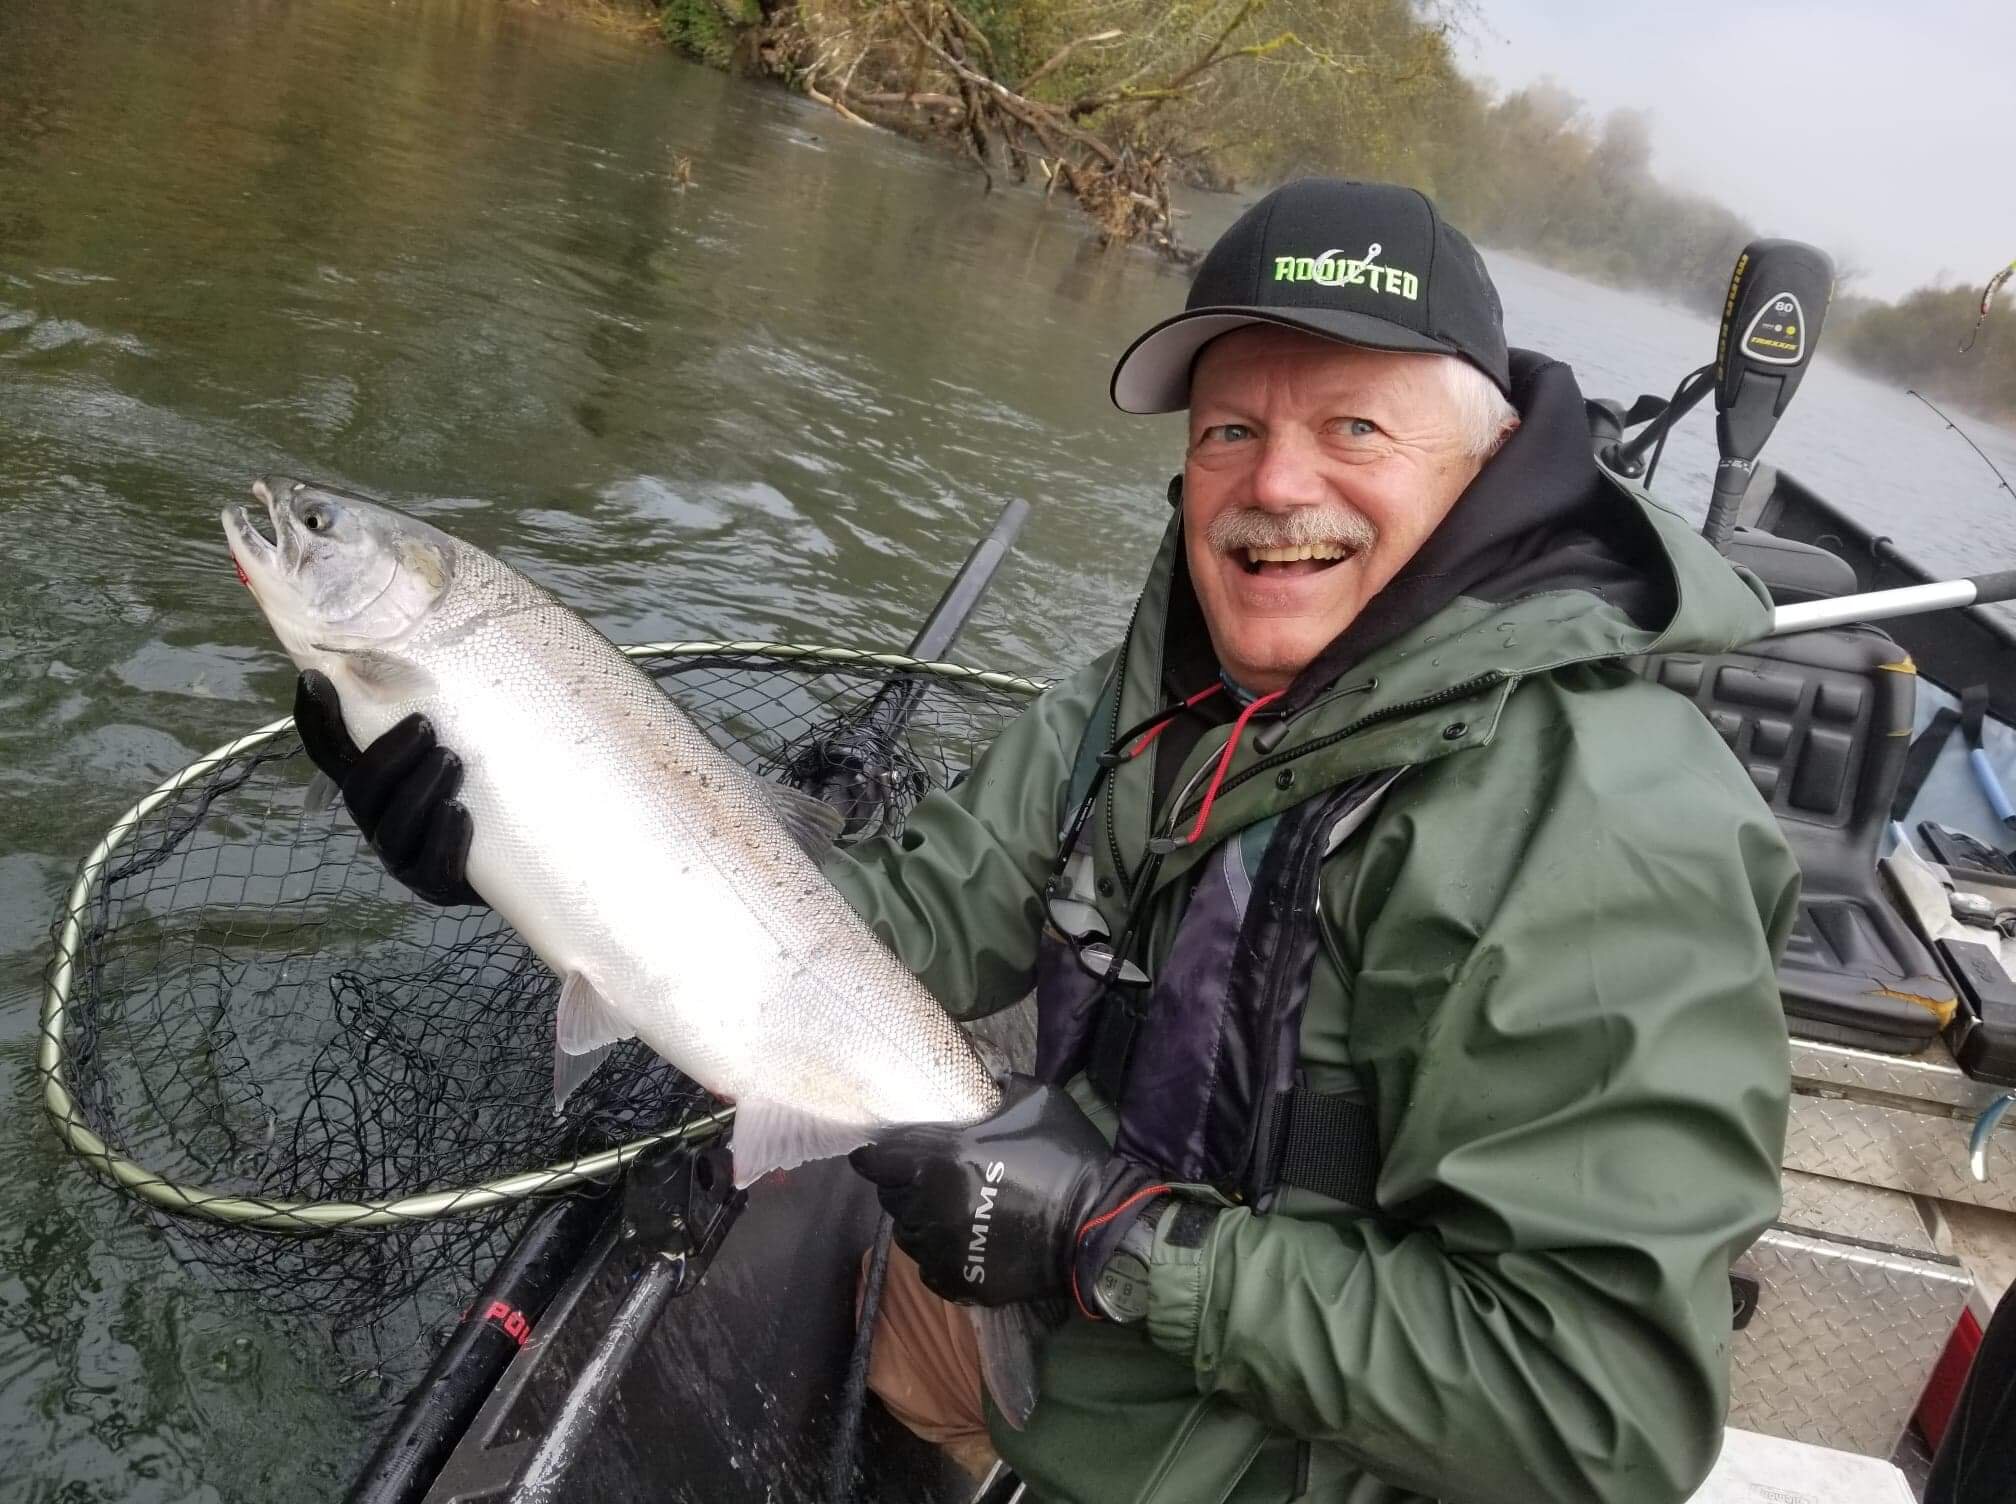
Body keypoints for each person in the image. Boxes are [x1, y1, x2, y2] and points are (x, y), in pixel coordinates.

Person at [296, 179, 1799, 1504]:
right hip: (1095, 1371)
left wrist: (1111, 1235)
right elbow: (874, 931)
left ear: (1477, 466)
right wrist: (512, 840)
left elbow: (1603, 1413)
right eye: (1233, 428)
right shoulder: (1141, 699)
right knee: (815, 1306)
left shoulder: (1604, 827)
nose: (1277, 484)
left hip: (1306, 1447)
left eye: (1354, 426)